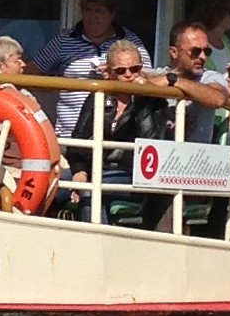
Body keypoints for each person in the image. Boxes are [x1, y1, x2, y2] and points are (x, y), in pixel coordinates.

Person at [70, 40, 171, 224]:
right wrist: (80, 171)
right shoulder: (98, 97)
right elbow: (78, 139)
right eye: (121, 71)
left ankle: (95, 238)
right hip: (94, 168)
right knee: (50, 182)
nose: (129, 75)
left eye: (135, 69)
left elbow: (149, 142)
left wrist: (142, 97)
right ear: (109, 72)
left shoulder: (155, 102)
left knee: (91, 190)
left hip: (129, 173)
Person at [31, 0, 132, 136]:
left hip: (115, 137)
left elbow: (143, 78)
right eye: (88, 10)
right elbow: (31, 70)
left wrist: (115, 75)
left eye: (99, 11)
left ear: (111, 15)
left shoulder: (129, 40)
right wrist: (54, 83)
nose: (92, 17)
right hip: (68, 136)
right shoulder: (65, 40)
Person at [161, 20, 230, 144]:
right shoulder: (157, 74)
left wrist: (174, 81)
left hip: (198, 153)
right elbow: (138, 83)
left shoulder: (211, 77)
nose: (203, 57)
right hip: (158, 151)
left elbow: (218, 99)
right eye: (195, 52)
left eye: (206, 51)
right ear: (174, 52)